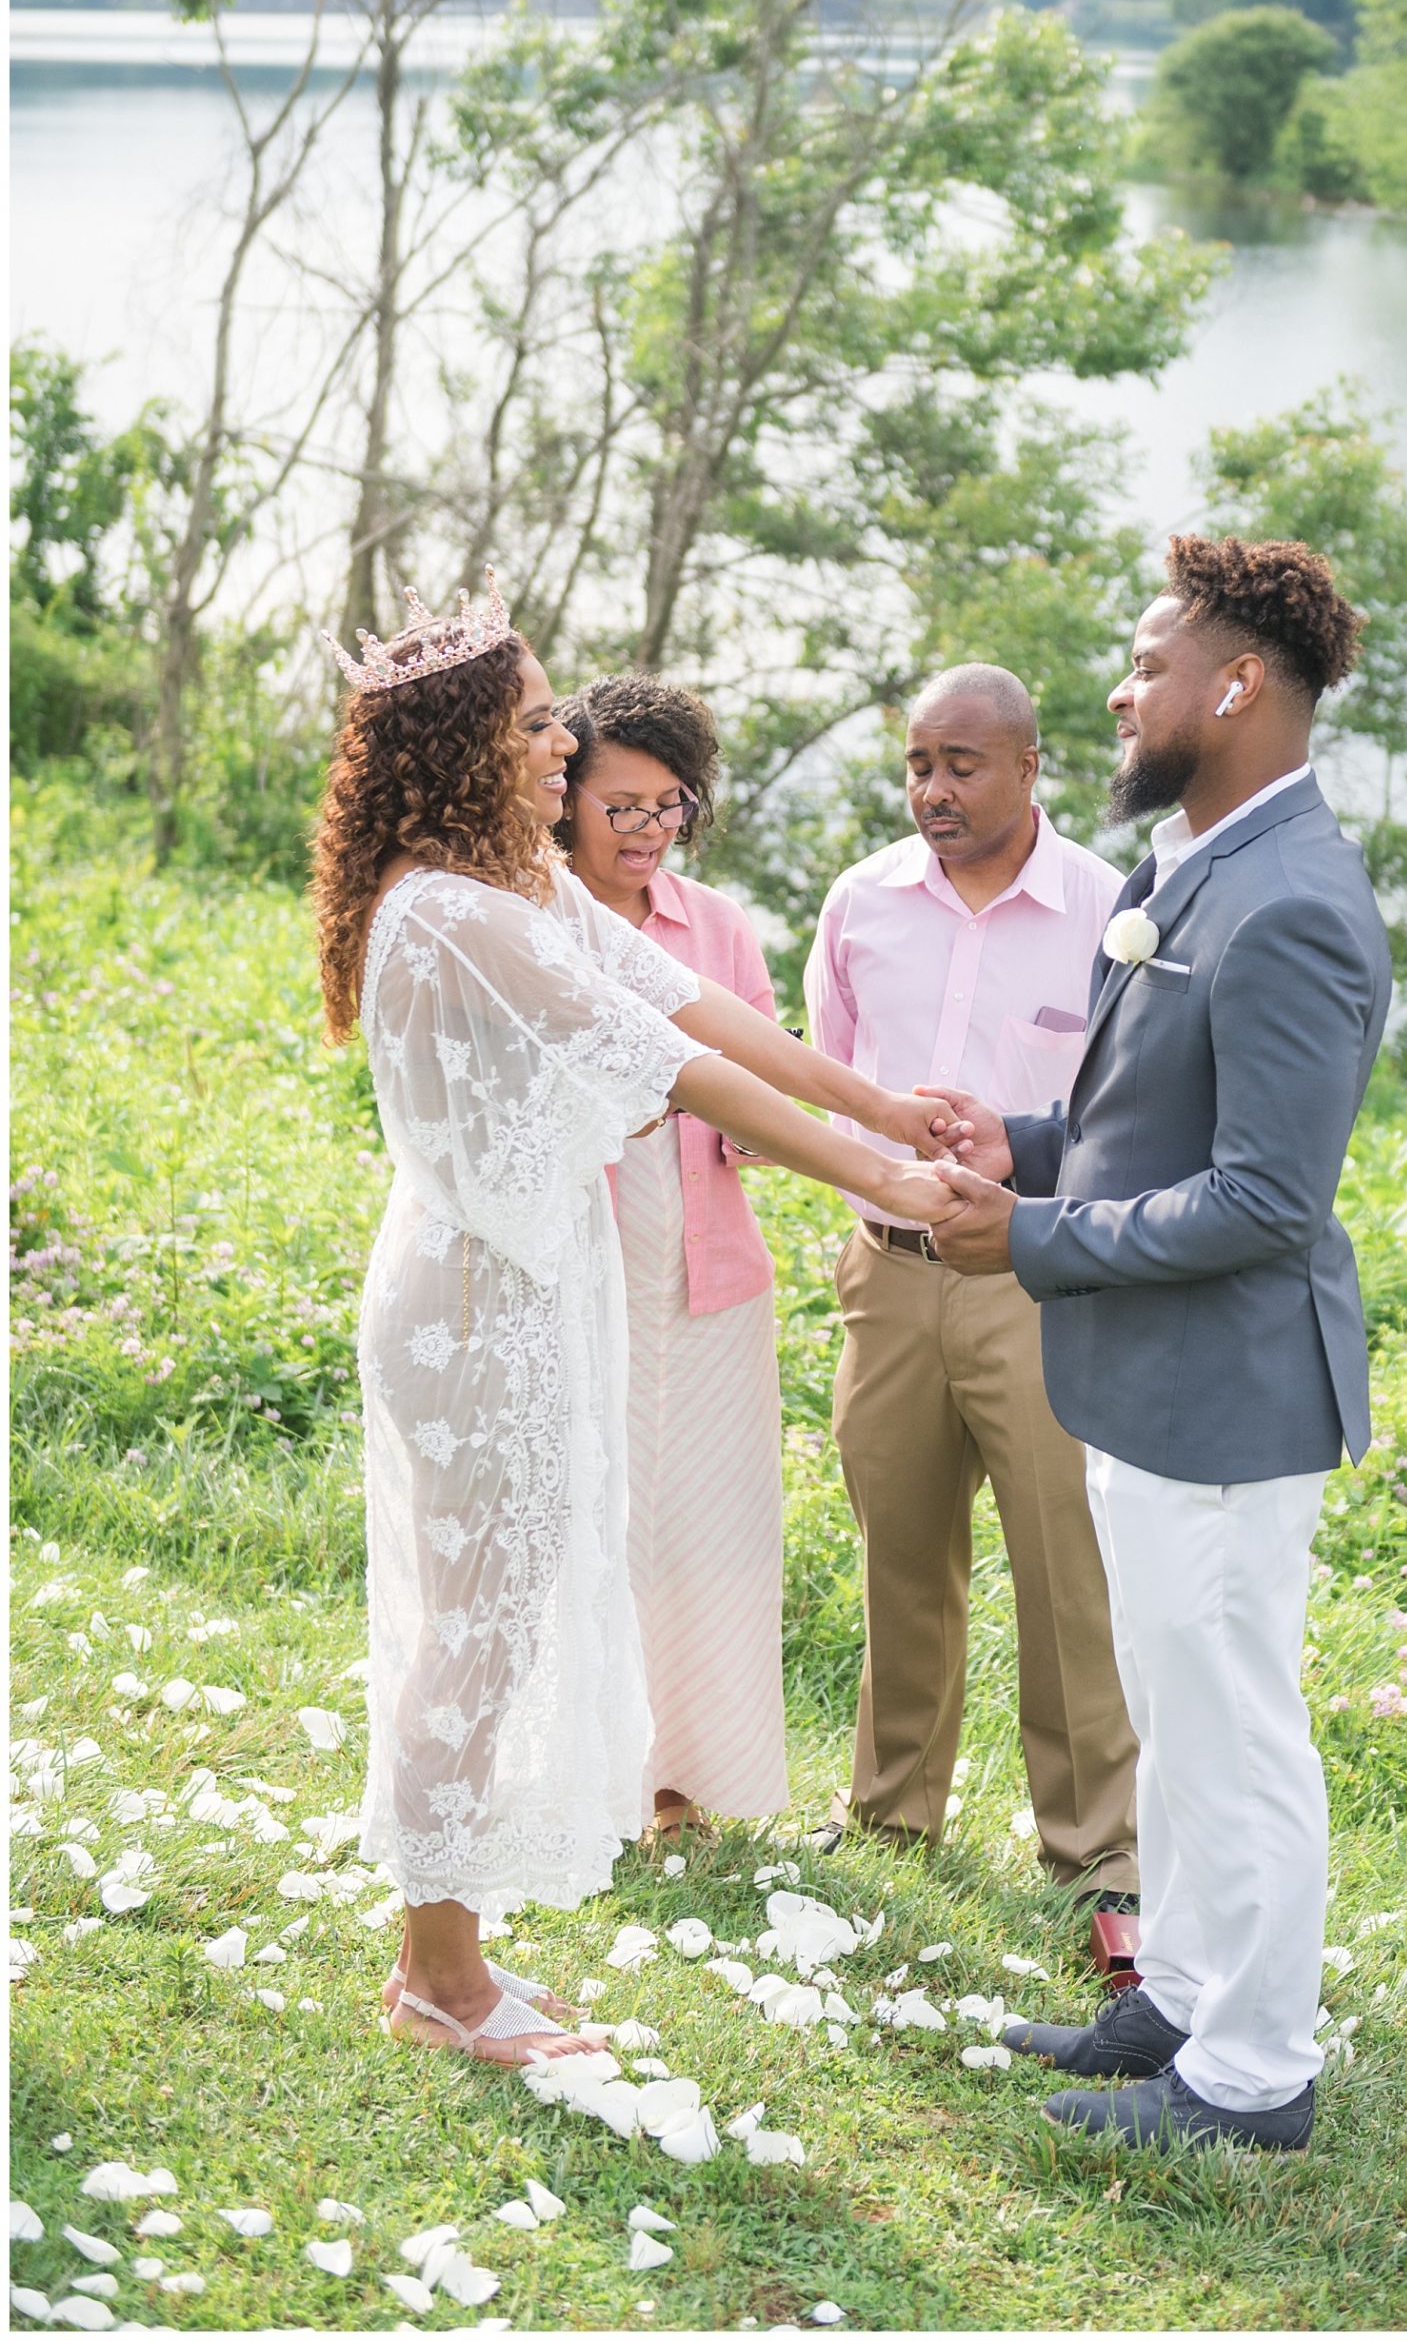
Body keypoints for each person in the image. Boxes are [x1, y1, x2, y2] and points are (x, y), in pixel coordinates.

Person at [311, 571, 962, 2071]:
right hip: (474, 1301)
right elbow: (669, 1068)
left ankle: (450, 1955)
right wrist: (878, 1179)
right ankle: (438, 1981)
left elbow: (694, 1005)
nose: (563, 743)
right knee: (474, 1632)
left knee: (503, 1615)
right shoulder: (451, 913)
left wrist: (876, 1104)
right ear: (465, 743)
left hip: (532, 1285)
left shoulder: (515, 890)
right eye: (538, 722)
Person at [927, 537, 1392, 2154]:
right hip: (1148, 1386)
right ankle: (1180, 1995)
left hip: (1231, 1400)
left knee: (1235, 1733)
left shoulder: (1291, 902)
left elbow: (1263, 1200)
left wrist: (1024, 1241)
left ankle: (1252, 2076)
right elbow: (1142, 1129)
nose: (1121, 695)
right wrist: (1007, 1147)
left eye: (1146, 666)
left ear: (1236, 684)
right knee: (1174, 1719)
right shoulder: (1188, 865)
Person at [804, 663, 1140, 1908]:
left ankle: (1097, 1851)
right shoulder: (861, 902)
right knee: (898, 1556)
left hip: (1039, 1284)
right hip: (886, 1279)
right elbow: (831, 1077)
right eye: (916, 764)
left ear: (1028, 767)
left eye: (960, 765)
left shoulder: (1110, 909)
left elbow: (1130, 1109)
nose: (932, 789)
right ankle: (891, 1818)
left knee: (1065, 1574)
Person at [553, 674, 788, 1846]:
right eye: (622, 806)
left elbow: (763, 1096)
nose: (649, 830)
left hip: (708, 1282)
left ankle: (686, 1784)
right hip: (576, 1267)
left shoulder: (718, 927)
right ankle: (588, 1775)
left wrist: (739, 1111)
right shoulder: (531, 919)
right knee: (592, 1518)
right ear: (563, 797)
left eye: (671, 805)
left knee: (705, 1532)